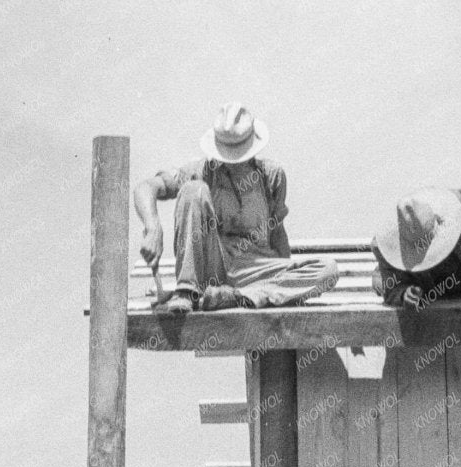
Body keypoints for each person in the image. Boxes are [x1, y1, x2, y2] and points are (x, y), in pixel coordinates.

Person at [133, 103, 341, 313]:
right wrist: (152, 228)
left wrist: (286, 282)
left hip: (255, 271)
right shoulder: (201, 171)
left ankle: (235, 298)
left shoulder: (271, 176)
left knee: (327, 270)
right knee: (192, 189)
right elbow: (146, 187)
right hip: (213, 269)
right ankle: (187, 291)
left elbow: (277, 233)